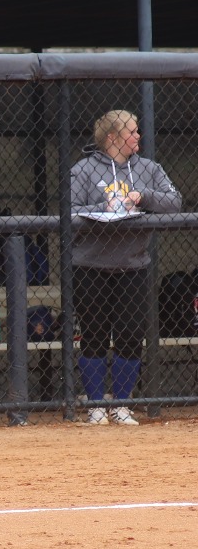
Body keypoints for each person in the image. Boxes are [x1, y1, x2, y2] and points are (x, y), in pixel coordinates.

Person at [69, 109, 182, 424]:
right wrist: (102, 207)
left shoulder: (148, 168)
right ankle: (95, 406)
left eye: (136, 131)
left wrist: (141, 196)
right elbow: (70, 211)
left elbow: (175, 201)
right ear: (113, 138)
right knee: (93, 333)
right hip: (91, 264)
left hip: (133, 264)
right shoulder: (84, 170)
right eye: (131, 131)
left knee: (131, 334)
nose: (137, 136)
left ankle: (120, 405)